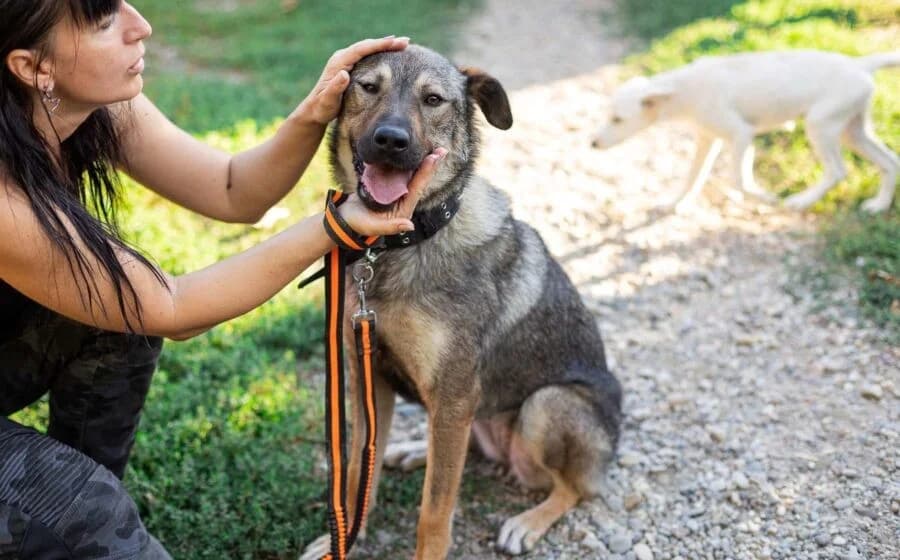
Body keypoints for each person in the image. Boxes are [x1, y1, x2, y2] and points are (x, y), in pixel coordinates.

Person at [0, 1, 446, 558]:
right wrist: (335, 227)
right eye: (103, 20)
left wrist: (312, 113)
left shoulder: (89, 105)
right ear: (33, 66)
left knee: (116, 322)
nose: (141, 25)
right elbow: (173, 307)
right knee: (86, 510)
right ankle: (77, 519)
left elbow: (234, 190)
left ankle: (63, 520)